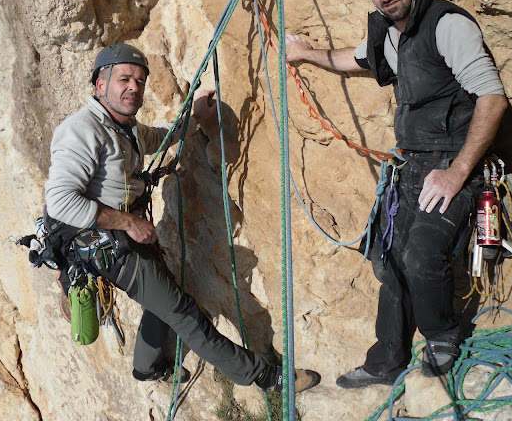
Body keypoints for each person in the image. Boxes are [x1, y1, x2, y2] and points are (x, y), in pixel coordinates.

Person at [286, 0, 508, 389]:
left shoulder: (447, 24)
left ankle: (442, 335)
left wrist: (457, 173)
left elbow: (492, 98)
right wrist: (306, 53)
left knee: (422, 252)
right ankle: (387, 359)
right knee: (387, 259)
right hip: (412, 166)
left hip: (454, 162)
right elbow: (356, 59)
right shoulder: (392, 36)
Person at [44, 43, 320, 393]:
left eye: (140, 80)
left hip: (120, 237)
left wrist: (197, 116)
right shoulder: (81, 130)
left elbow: (160, 137)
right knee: (183, 312)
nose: (134, 87)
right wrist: (129, 223)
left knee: (161, 300)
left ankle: (146, 367)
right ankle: (265, 377)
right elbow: (60, 202)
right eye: (124, 79)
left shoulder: (123, 127)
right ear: (101, 84)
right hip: (107, 245)